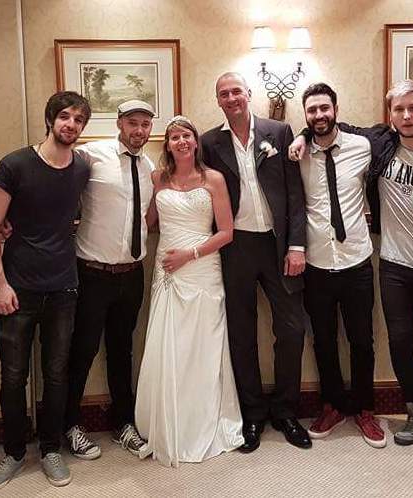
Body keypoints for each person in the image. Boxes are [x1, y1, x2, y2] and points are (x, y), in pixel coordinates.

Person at [289, 79, 413, 454]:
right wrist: (302, 133)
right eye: (399, 109)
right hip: (393, 265)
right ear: (390, 114)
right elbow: (326, 127)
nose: (406, 115)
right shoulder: (381, 144)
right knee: (397, 343)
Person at [0, 91, 91, 492]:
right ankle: (12, 453)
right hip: (18, 289)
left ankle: (50, 449)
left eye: (79, 120)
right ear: (50, 119)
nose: (71, 125)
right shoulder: (15, 164)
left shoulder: (81, 166)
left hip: (64, 286)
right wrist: (0, 284)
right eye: (65, 117)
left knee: (56, 374)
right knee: (13, 376)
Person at [201, 72, 310, 452]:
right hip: (236, 247)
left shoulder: (279, 132)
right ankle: (252, 415)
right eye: (223, 93)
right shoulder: (208, 142)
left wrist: (297, 245)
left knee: (292, 329)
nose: (231, 98)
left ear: (249, 94)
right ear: (218, 101)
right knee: (241, 333)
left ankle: (285, 410)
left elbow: (296, 193)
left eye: (236, 91)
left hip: (278, 246)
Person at [134, 116, 243, 467]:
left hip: (202, 268)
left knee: (203, 346)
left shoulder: (213, 179)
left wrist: (190, 254)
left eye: (186, 135)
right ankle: (169, 421)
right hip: (168, 274)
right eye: (174, 137)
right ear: (166, 145)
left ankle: (204, 421)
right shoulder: (157, 179)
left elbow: (226, 232)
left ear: (196, 142)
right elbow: (146, 223)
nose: (180, 141)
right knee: (172, 346)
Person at [63, 100, 156, 460]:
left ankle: (123, 424)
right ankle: (70, 424)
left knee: (122, 351)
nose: (139, 130)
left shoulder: (149, 167)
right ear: (119, 123)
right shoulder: (90, 155)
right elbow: (54, 182)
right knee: (82, 351)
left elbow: (146, 216)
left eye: (145, 124)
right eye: (132, 123)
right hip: (91, 274)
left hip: (132, 275)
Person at [298, 83, 385, 448]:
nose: (319, 116)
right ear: (305, 115)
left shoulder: (361, 146)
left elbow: (388, 134)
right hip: (316, 264)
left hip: (356, 262)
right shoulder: (297, 153)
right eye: (312, 111)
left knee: (362, 341)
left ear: (336, 109)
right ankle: (331, 404)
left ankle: (365, 408)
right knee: (323, 341)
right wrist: (301, 137)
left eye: (324, 108)